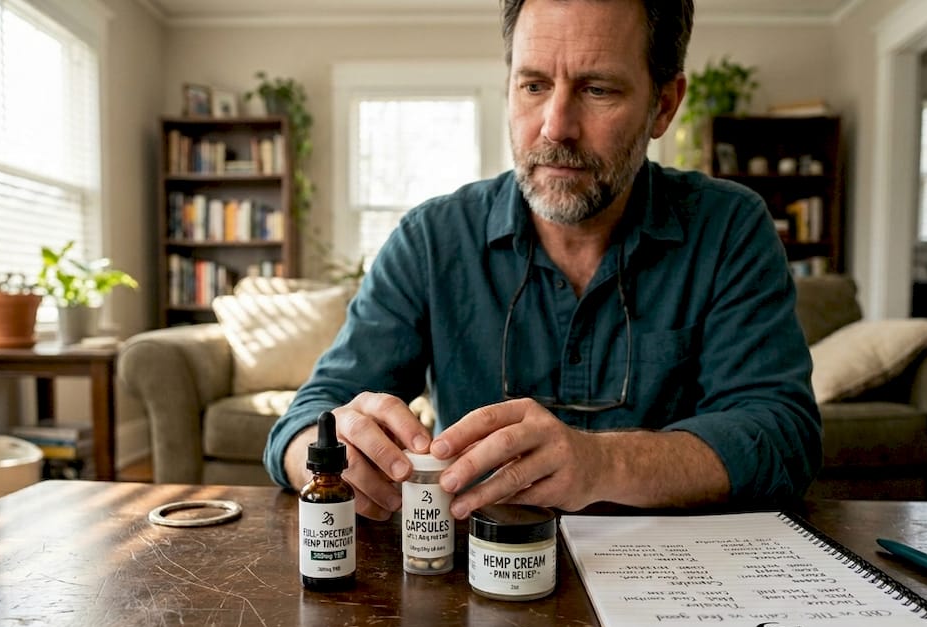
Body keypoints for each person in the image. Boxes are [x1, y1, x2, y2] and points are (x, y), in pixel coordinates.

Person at [265, 0, 821, 520]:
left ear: (664, 105)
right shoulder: (431, 238)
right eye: (533, 85)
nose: (556, 126)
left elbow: (782, 437)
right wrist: (328, 453)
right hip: (475, 568)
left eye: (597, 90)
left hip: (679, 572)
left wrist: (603, 463)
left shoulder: (730, 227)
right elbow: (307, 418)